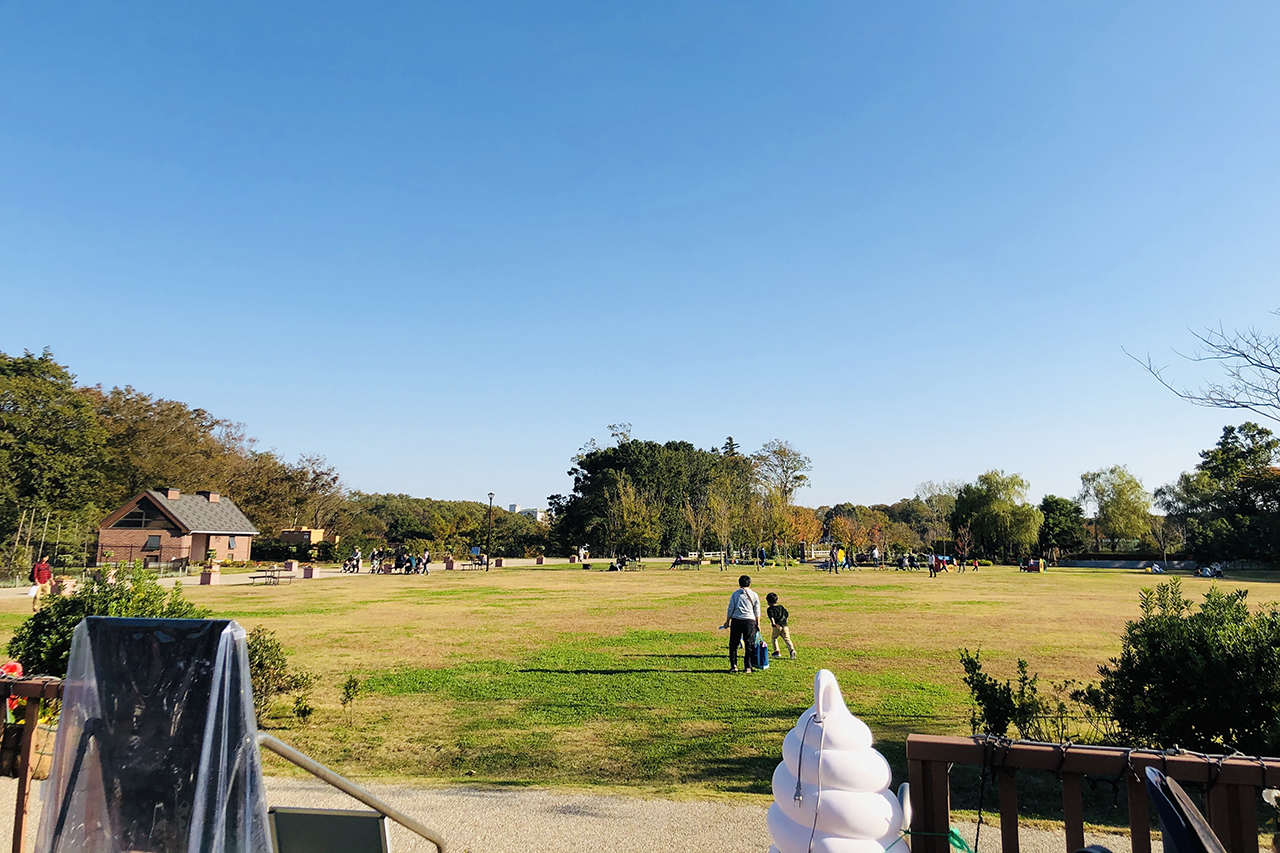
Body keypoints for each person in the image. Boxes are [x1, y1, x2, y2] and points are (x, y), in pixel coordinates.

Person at [720, 575, 761, 673]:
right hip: (750, 621)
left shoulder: (735, 594)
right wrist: (758, 623)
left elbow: (731, 608)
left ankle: (734, 665)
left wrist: (727, 621)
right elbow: (757, 610)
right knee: (749, 644)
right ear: (750, 584)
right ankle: (748, 666)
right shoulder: (754, 595)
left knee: (733, 644)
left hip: (736, 620)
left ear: (739, 584)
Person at [766, 592, 796, 660]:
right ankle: (792, 650)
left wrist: (773, 623)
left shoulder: (770, 609)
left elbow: (772, 617)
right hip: (785, 625)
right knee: (787, 639)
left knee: (774, 638)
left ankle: (777, 651)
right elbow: (786, 614)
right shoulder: (781, 607)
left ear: (768, 602)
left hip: (777, 626)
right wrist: (785, 621)